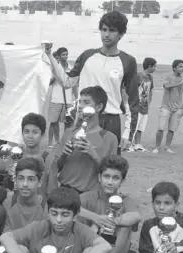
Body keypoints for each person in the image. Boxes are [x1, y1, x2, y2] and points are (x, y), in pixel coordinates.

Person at [47, 11, 139, 155]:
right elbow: (67, 81)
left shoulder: (128, 62)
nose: (106, 34)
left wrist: (129, 132)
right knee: (78, 165)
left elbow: (133, 100)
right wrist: (49, 55)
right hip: (83, 120)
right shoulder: (87, 56)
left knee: (107, 168)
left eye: (112, 30)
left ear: (121, 34)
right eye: (104, 29)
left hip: (110, 121)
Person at [78, 155, 141, 253]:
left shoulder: (126, 200)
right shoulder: (87, 197)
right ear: (99, 177)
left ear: (122, 181)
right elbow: (71, 209)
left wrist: (111, 221)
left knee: (125, 226)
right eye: (106, 176)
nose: (110, 181)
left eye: (115, 178)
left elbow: (136, 216)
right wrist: (95, 219)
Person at [56, 86, 118, 194]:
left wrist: (93, 154)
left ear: (98, 107)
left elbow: (110, 175)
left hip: (88, 195)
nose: (80, 106)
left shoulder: (109, 138)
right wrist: (64, 155)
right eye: (80, 102)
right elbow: (56, 168)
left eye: (86, 102)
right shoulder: (69, 133)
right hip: (64, 191)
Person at [152, 60, 183, 154]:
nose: (182, 68)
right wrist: (178, 84)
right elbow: (166, 86)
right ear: (174, 68)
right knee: (161, 128)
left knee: (172, 129)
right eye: (180, 66)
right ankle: (157, 147)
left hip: (177, 108)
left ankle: (167, 147)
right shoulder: (168, 76)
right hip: (166, 106)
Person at [2, 158, 48, 233]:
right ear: (15, 180)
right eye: (21, 178)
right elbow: (5, 236)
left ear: (39, 182)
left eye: (31, 179)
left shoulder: (46, 206)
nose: (25, 184)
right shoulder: (8, 203)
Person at [48, 47, 77, 147]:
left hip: (68, 100)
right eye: (63, 55)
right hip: (55, 99)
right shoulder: (54, 68)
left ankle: (65, 142)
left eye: (66, 54)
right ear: (59, 57)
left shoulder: (72, 68)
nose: (65, 56)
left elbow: (74, 85)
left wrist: (76, 99)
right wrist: (56, 75)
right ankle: (51, 142)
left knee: (68, 123)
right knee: (53, 122)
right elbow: (49, 83)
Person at [129, 57, 156, 152]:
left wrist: (149, 101)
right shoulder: (138, 76)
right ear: (149, 66)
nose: (155, 68)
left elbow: (150, 90)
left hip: (145, 106)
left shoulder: (150, 77)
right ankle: (129, 144)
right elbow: (131, 89)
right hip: (137, 106)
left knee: (141, 127)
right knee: (133, 126)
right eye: (154, 66)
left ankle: (138, 144)